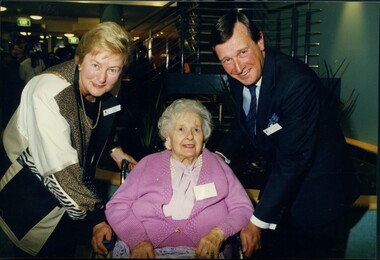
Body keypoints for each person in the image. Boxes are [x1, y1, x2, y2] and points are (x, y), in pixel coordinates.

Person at [209, 11, 360, 259]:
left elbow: (294, 160)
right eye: (226, 60)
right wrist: (219, 155)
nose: (237, 67)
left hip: (321, 196)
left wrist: (257, 222)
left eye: (242, 52)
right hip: (286, 185)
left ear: (260, 41)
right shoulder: (240, 76)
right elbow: (245, 124)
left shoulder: (295, 82)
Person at [0, 21, 138, 258]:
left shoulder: (107, 87)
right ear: (79, 59)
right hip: (29, 200)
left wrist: (115, 150)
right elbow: (61, 170)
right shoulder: (49, 92)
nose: (103, 78)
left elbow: (100, 127)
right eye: (95, 64)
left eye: (113, 69)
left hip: (71, 201)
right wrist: (96, 219)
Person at [104, 98, 253, 259]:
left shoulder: (219, 166)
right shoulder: (148, 164)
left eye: (196, 130)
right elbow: (118, 206)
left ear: (204, 137)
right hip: (145, 252)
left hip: (203, 253)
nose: (189, 136)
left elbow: (243, 208)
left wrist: (218, 234)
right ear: (168, 138)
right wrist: (138, 240)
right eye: (181, 129)